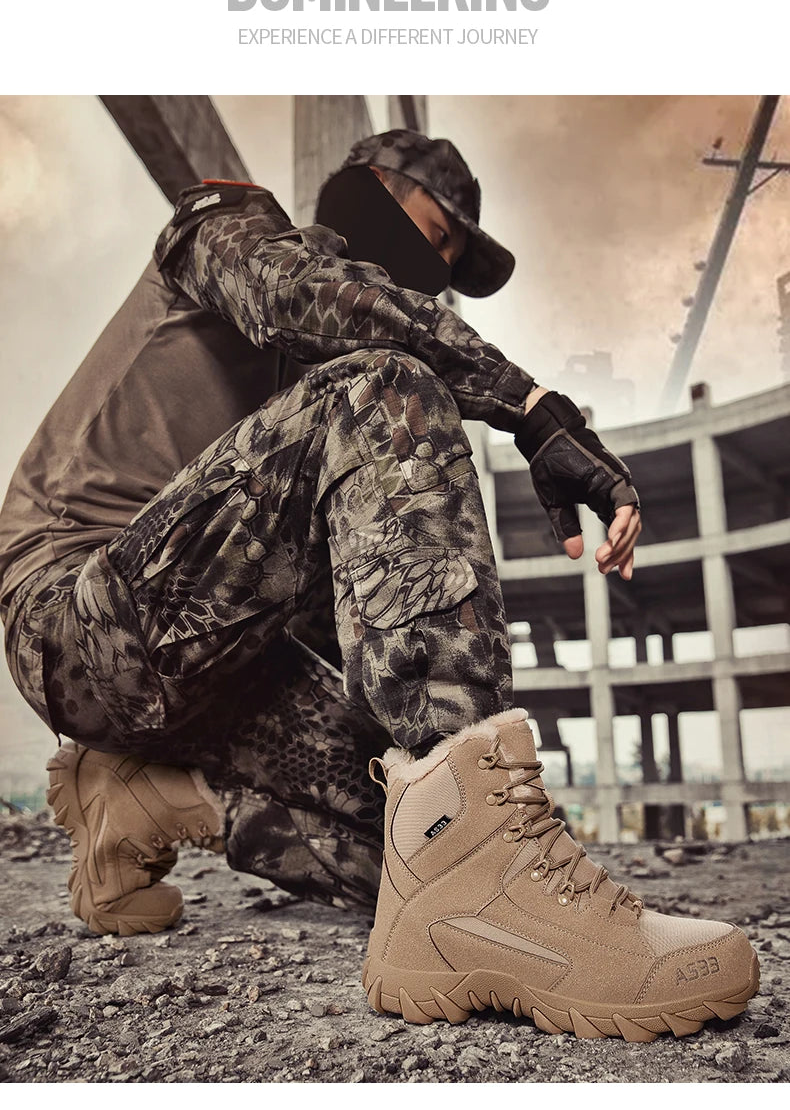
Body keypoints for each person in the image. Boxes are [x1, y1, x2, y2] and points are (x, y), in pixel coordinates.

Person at [0, 127, 757, 1039]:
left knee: (407, 835)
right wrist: (526, 404)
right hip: (71, 615)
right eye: (435, 233)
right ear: (366, 191)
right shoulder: (223, 220)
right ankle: (483, 854)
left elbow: (363, 604)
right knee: (389, 384)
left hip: (215, 657)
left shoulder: (320, 408)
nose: (435, 266)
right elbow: (301, 295)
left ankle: (148, 795)